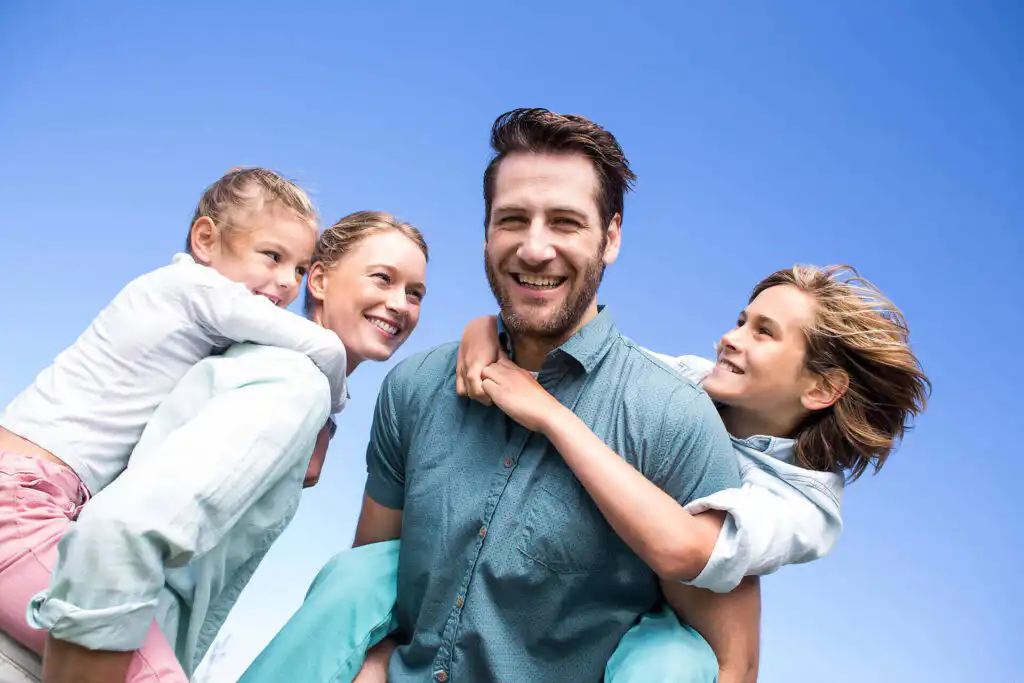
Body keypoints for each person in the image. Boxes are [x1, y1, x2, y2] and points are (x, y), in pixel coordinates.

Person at [242, 107, 747, 683]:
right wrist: (375, 660)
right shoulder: (415, 388)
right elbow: (374, 578)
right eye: (512, 220)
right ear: (486, 231)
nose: (534, 248)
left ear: (610, 238)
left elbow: (725, 662)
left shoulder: (675, 420)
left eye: (565, 223)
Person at [458, 263, 930, 682]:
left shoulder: (804, 506)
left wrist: (553, 418)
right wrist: (488, 328)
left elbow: (681, 549)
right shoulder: (688, 384)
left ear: (822, 388)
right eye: (741, 321)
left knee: (669, 664)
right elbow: (587, 366)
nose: (731, 338)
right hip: (587, 587)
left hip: (663, 631)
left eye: (764, 333)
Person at [29, 210, 430, 683]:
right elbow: (119, 533)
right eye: (382, 278)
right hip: (79, 655)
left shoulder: (282, 376)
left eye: (415, 293)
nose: (399, 304)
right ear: (319, 280)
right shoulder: (292, 383)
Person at [0, 167, 349, 682]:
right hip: (20, 501)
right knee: (151, 671)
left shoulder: (182, 307)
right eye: (272, 256)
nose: (285, 282)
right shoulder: (194, 289)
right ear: (205, 239)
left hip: (35, 497)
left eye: (298, 269)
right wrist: (327, 419)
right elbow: (324, 346)